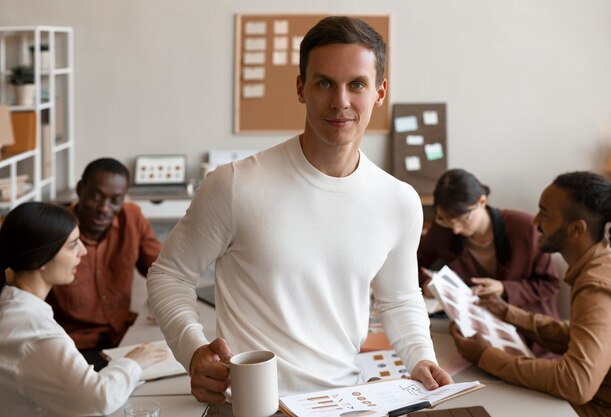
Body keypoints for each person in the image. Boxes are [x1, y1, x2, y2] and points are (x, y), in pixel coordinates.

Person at [147, 15, 452, 404]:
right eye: (324, 82)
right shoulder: (235, 185)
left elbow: (399, 298)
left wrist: (420, 356)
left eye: (356, 84)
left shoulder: (399, 201)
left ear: (379, 92)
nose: (340, 100)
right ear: (300, 88)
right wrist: (192, 351)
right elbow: (169, 276)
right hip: (250, 405)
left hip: (343, 401)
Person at [450, 171, 611, 417]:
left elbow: (576, 383)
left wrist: (486, 356)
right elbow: (580, 335)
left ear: (576, 229)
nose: (534, 221)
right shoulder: (605, 262)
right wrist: (509, 313)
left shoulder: (599, 286)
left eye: (544, 213)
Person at [0, 202, 168, 416]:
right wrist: (133, 361)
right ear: (40, 259)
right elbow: (99, 400)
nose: (83, 252)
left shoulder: (14, 307)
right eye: (73, 245)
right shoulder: (35, 334)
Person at [418, 169, 560, 356]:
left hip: (530, 332)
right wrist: (425, 282)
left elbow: (550, 284)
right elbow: (412, 263)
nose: (456, 230)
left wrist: (504, 288)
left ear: (482, 202)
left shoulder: (525, 228)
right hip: (477, 330)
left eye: (463, 220)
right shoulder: (442, 230)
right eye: (445, 220)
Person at [46, 158, 162, 370]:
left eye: (115, 200)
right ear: (80, 190)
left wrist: (168, 307)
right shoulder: (55, 232)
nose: (104, 208)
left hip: (123, 336)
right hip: (74, 349)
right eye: (96, 197)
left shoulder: (132, 217)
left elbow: (163, 270)